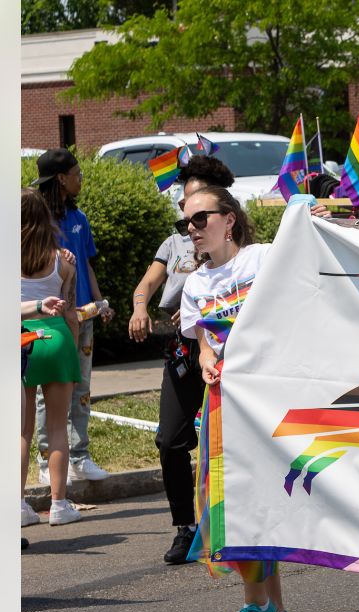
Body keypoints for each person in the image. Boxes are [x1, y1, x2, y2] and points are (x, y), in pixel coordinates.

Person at [179, 185, 292, 612]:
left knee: (250, 499)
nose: (191, 228)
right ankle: (274, 610)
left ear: (229, 219)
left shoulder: (263, 259)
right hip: (225, 402)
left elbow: (308, 255)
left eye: (200, 218)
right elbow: (202, 334)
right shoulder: (194, 284)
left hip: (267, 397)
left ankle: (259, 607)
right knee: (230, 498)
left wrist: (311, 209)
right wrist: (205, 351)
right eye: (184, 222)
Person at [128, 155, 233, 565]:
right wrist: (140, 306)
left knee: (227, 442)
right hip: (182, 350)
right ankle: (184, 527)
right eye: (184, 210)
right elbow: (149, 283)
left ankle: (235, 525)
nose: (189, 221)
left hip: (225, 348)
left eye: (198, 209)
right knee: (170, 439)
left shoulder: (231, 242)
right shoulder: (174, 243)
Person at [32, 149, 114, 485]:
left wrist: (99, 301)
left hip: (84, 316)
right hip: (53, 319)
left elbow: (87, 264)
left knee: (82, 386)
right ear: (61, 179)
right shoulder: (39, 223)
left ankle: (80, 456)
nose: (81, 178)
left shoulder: (79, 219)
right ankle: (44, 461)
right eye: (77, 173)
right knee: (45, 393)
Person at [20, 188, 85, 527]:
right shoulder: (63, 261)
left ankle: (17, 504)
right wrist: (71, 350)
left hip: (20, 339)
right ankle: (59, 504)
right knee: (58, 427)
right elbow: (71, 312)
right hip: (56, 336)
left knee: (21, 431)